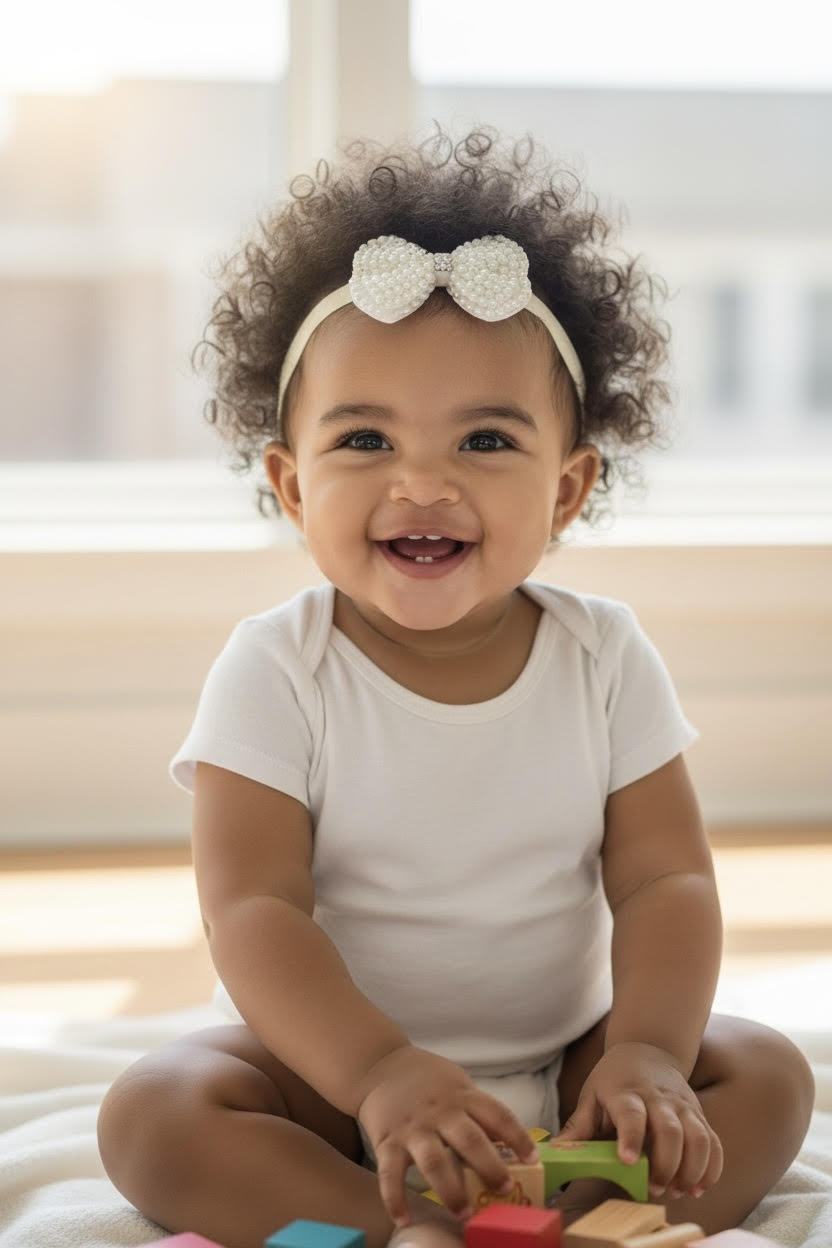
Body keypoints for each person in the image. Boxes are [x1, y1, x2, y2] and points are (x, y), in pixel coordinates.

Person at [97, 126, 814, 1248]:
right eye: (366, 439)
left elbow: (666, 878)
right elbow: (253, 908)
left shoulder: (603, 656)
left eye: (484, 438)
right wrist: (379, 1074)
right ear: (291, 484)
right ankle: (387, 1227)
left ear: (567, 487)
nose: (421, 481)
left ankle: (587, 1214)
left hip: (570, 1069)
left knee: (763, 1072)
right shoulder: (276, 670)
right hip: (339, 1094)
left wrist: (643, 1055)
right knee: (154, 1118)